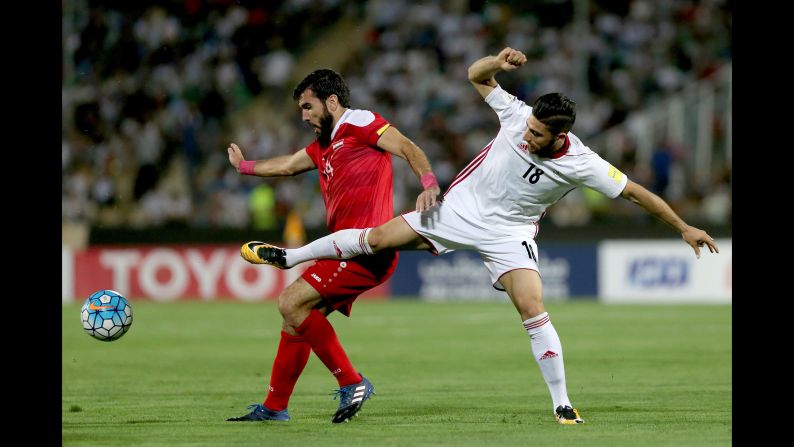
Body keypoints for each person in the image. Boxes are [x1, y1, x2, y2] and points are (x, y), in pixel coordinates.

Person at [240, 48, 721, 425]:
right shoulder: (515, 114)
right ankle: (292, 257)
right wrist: (497, 61)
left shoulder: (585, 163)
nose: (527, 134)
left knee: (533, 308)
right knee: (377, 237)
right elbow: (477, 75)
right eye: (528, 126)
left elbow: (636, 192)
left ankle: (563, 404)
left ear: (560, 136)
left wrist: (683, 227)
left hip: (510, 234)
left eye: (537, 134)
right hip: (459, 210)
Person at [227, 69, 441, 423]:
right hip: (340, 249)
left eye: (308, 106)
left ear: (332, 101)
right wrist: (245, 166)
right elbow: (288, 165)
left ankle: (352, 382)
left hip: (367, 248)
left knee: (290, 301)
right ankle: (275, 407)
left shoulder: (361, 122)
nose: (304, 115)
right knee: (295, 320)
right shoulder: (323, 143)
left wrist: (429, 181)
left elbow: (406, 146)